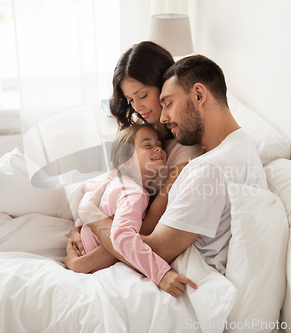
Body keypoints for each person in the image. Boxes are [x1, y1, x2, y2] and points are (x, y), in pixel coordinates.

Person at [77, 55, 268, 277]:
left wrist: (91, 218)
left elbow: (153, 250)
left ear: (199, 95)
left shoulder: (209, 169)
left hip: (188, 278)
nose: (164, 117)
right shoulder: (239, 145)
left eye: (168, 104)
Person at [64, 42, 203, 275]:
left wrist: (83, 261)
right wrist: (76, 227)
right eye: (130, 100)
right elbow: (113, 177)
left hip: (117, 227)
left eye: (142, 95)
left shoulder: (184, 150)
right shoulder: (142, 126)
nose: (137, 107)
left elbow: (144, 229)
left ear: (165, 84)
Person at [64, 123, 197, 297]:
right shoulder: (134, 193)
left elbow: (88, 190)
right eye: (147, 145)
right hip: (100, 265)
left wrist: (76, 229)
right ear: (126, 162)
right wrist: (162, 274)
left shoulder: (114, 184)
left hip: (87, 255)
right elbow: (123, 236)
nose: (158, 148)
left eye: (159, 144)